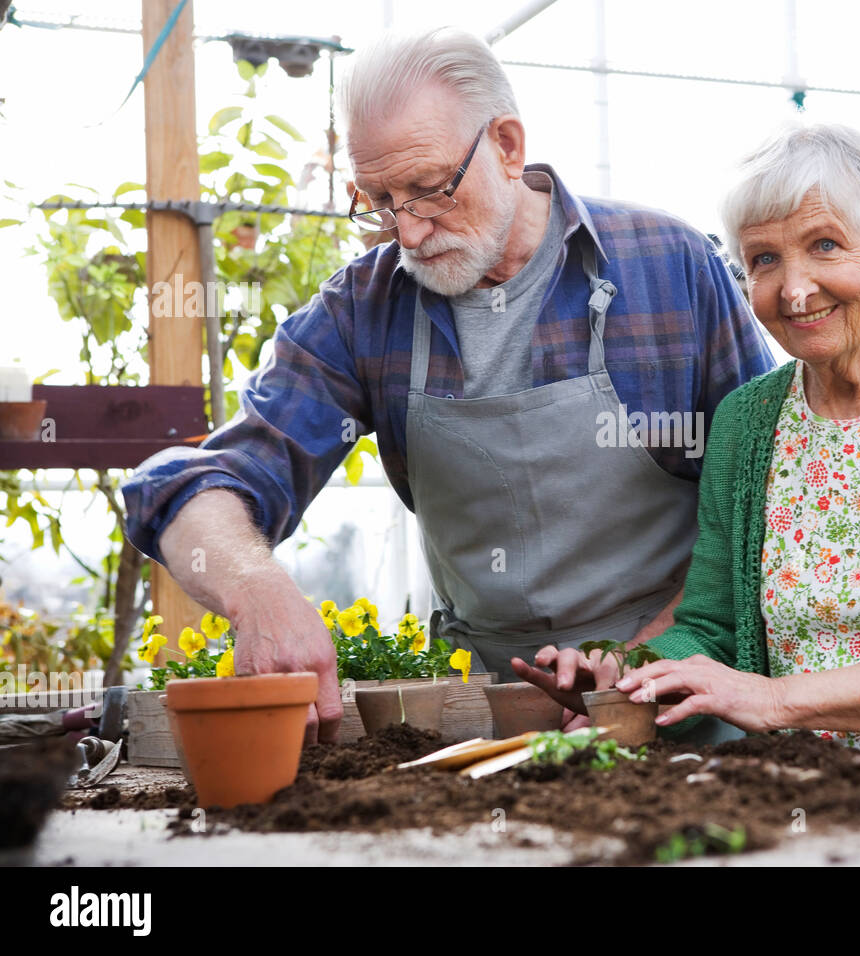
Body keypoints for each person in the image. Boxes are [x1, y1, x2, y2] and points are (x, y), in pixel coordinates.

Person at [122, 28, 774, 743]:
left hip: (676, 691)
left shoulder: (668, 266)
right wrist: (256, 590)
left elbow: (764, 498)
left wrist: (650, 653)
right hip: (478, 713)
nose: (406, 231)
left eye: (430, 190)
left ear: (507, 145)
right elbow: (192, 485)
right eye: (379, 200)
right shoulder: (363, 313)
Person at [517, 123, 860, 765]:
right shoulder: (747, 422)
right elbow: (710, 629)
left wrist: (773, 700)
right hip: (802, 797)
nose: (795, 289)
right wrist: (626, 677)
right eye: (764, 259)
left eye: (825, 245)